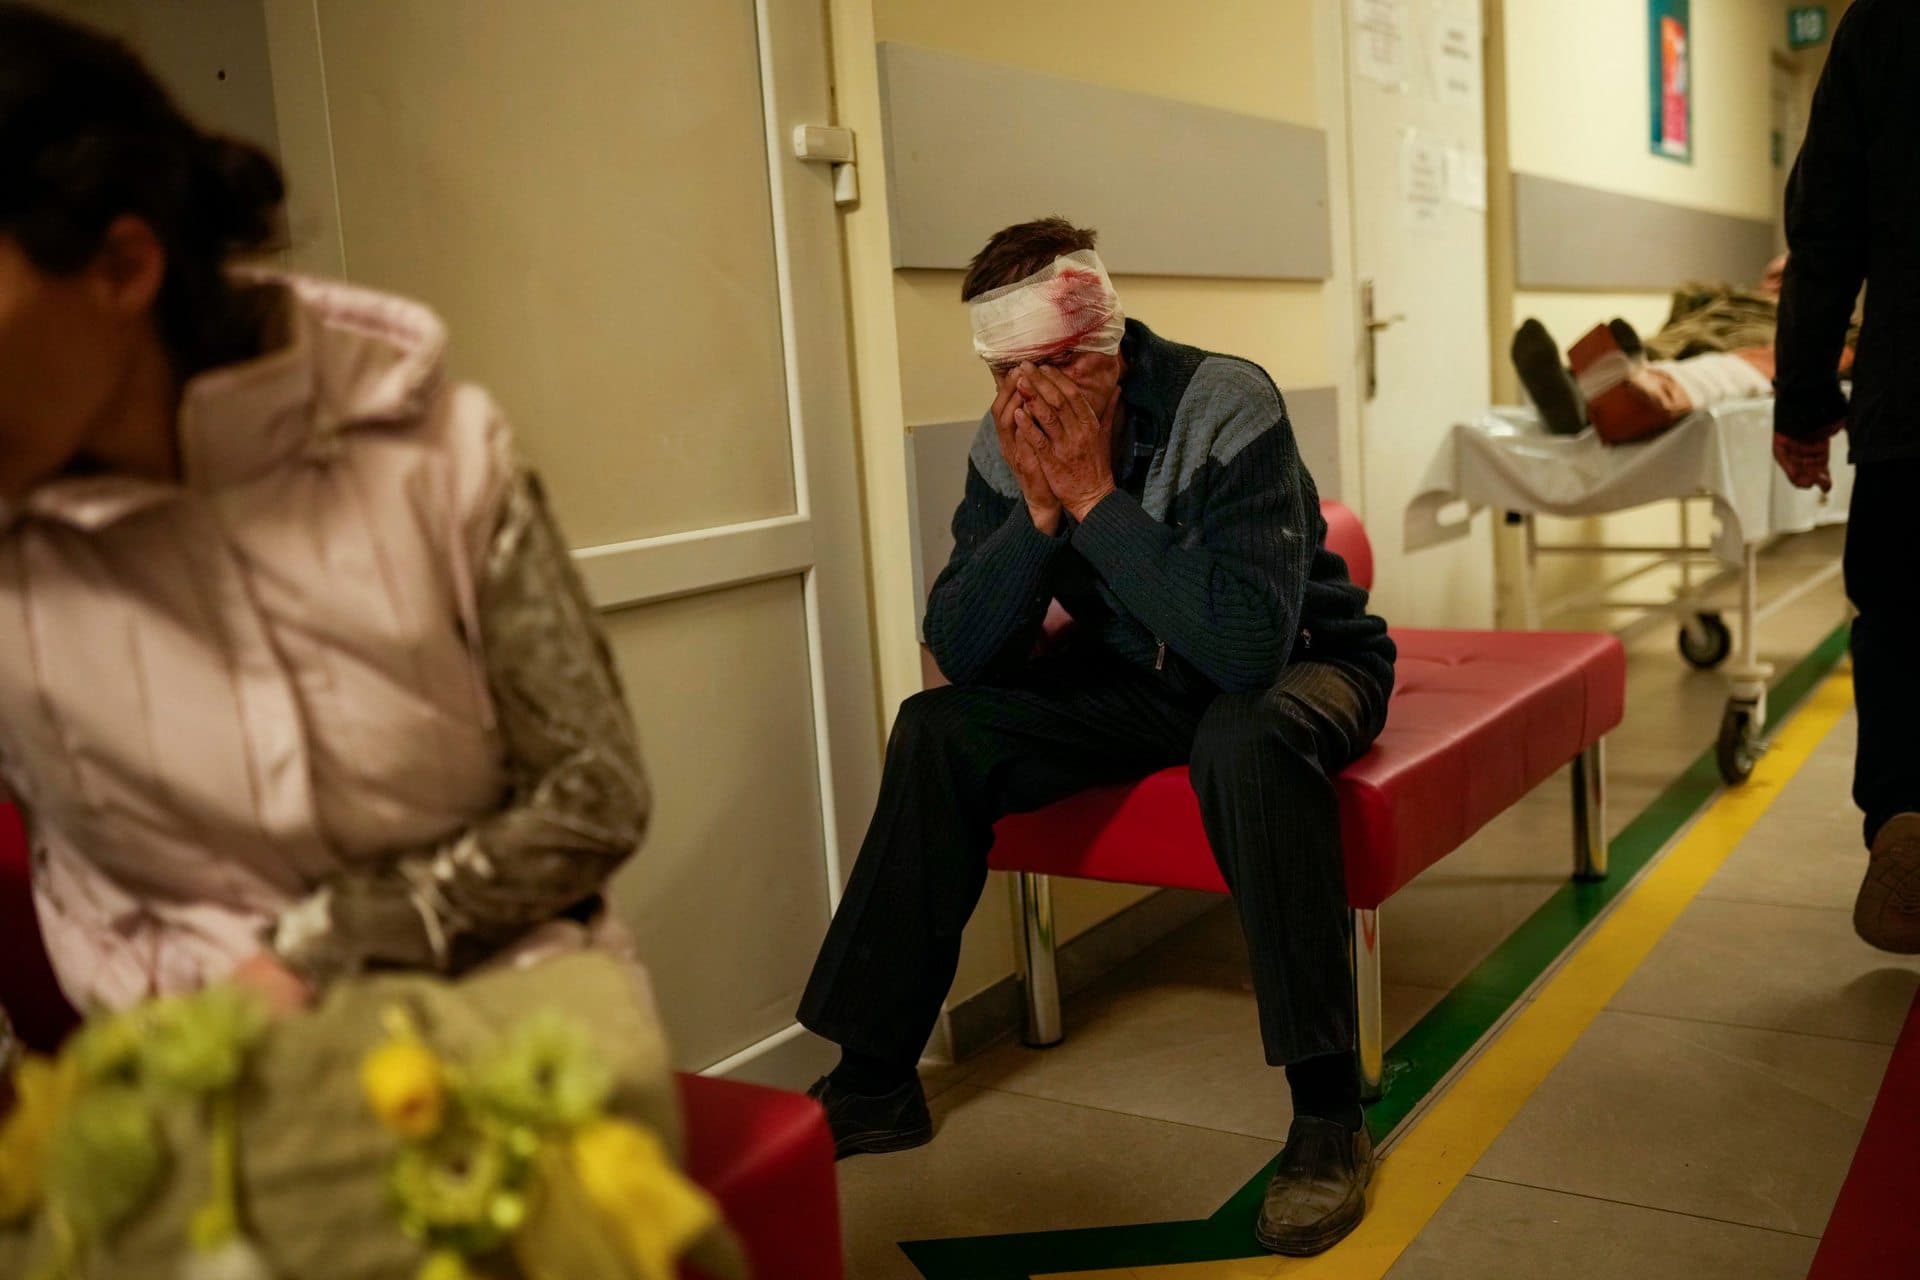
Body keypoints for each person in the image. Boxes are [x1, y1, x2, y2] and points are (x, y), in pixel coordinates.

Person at [0, 5, 650, 1017]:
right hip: (168, 1068)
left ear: (123, 266)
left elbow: (595, 791)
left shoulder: (442, 456)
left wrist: (322, 951)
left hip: (491, 1028)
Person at [797, 218, 1397, 1256]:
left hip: (1304, 659)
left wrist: (1092, 497)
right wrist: (1034, 516)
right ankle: (875, 1077)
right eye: (1008, 371)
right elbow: (963, 650)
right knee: (939, 729)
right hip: (1142, 672)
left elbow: (1249, 648)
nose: (1030, 395)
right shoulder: (1010, 431)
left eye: (1053, 366)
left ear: (1102, 346)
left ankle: (1326, 1112)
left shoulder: (1226, 401)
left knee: (1245, 739)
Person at [1771, 0, 1920, 954]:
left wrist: (1804, 404)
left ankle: (1907, 811)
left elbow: (1825, 234)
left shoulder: (1883, 25)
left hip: (1913, 402)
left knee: (1904, 619)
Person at [1508, 256, 1854, 442]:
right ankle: (1577, 390)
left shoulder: (1817, 323)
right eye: (1773, 276)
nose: (1779, 282)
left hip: (1734, 354)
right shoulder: (1722, 301)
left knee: (1705, 370)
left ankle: (1600, 400)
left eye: (1791, 276)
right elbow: (1682, 304)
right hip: (1672, 345)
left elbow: (1840, 358)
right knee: (1640, 353)